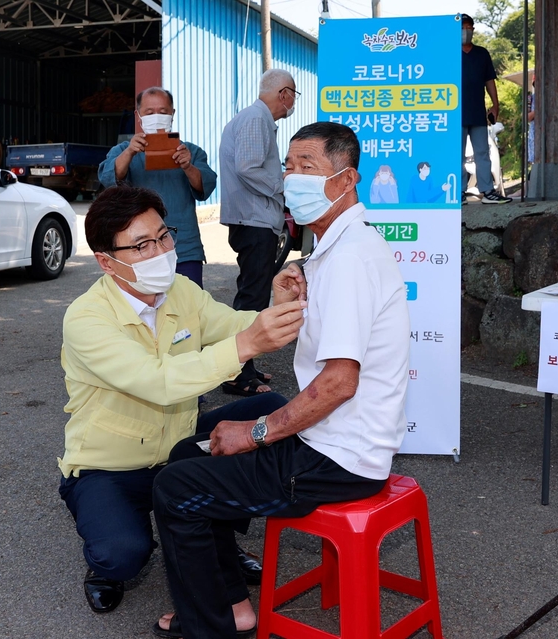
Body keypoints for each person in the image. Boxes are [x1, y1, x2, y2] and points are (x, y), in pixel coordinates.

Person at [151, 122, 411, 639]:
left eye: (308, 167)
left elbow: (338, 384)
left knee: (175, 487)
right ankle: (231, 604)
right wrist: (286, 302)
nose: (293, 177)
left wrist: (256, 433)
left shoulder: (351, 259)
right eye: (289, 166)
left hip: (339, 458)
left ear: (346, 179)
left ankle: (211, 627)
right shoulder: (335, 248)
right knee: (188, 455)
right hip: (335, 439)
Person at [58, 186, 307, 615]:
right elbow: (157, 382)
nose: (160, 251)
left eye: (163, 236)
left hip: (177, 449)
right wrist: (247, 342)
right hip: (110, 466)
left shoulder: (180, 290)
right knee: (122, 553)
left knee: (270, 412)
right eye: (141, 245)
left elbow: (233, 327)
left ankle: (217, 537)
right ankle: (107, 563)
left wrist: (275, 308)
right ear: (105, 262)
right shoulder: (86, 318)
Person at [219, 68, 297, 396]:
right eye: (294, 93)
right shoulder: (256, 118)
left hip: (255, 220)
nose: (293, 101)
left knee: (253, 295)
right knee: (251, 298)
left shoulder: (257, 119)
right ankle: (236, 371)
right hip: (253, 221)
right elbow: (248, 167)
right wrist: (284, 187)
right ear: (283, 94)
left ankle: (244, 366)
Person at [99, 87, 217, 288]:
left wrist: (188, 166)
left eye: (163, 112)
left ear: (173, 114)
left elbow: (205, 186)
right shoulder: (123, 151)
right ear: (138, 116)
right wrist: (129, 153)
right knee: (146, 309)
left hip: (184, 247)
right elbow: (108, 178)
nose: (156, 117)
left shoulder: (190, 151)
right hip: (139, 249)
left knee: (190, 307)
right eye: (149, 112)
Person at [461, 14, 512, 204]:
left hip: (478, 113)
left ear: (473, 30)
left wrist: (495, 104)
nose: (466, 31)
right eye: (462, 27)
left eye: (469, 27)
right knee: (456, 155)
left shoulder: (482, 53)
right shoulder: (449, 52)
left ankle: (487, 191)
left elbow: (489, 80)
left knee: (482, 152)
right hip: (456, 113)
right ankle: (459, 193)